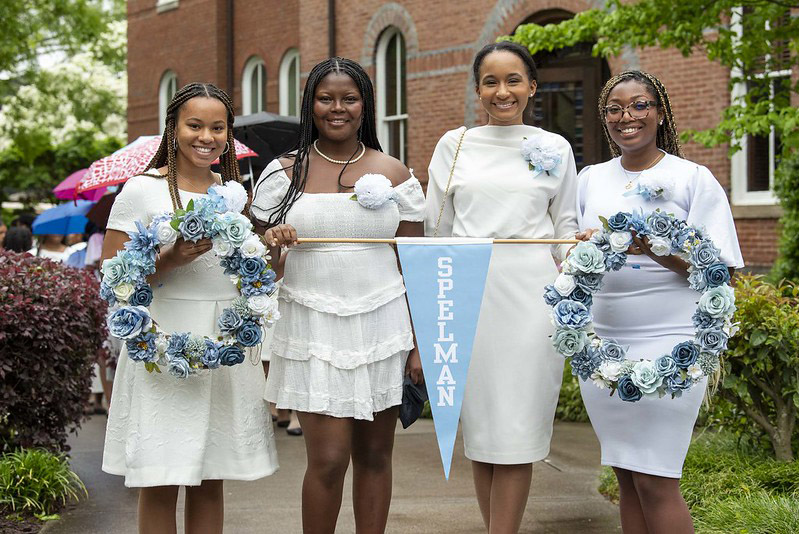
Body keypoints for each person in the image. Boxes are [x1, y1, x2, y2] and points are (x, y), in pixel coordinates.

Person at [250, 57, 424, 534]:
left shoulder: (393, 172)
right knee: (326, 460)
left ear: (365, 105)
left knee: (375, 456)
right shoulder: (281, 173)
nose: (337, 108)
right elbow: (256, 268)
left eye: (349, 98)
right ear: (311, 104)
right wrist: (273, 248)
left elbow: (414, 263)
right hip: (311, 323)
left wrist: (419, 342)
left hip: (384, 323)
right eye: (326, 98)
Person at [101, 82, 278, 534]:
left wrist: (275, 246)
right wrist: (172, 257)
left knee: (210, 478)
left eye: (217, 127)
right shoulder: (142, 191)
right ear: (172, 127)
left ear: (228, 133)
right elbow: (112, 277)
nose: (207, 136)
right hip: (163, 336)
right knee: (160, 478)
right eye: (194, 125)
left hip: (223, 339)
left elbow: (251, 272)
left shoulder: (235, 194)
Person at [575, 70, 744, 534]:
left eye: (639, 105)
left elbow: (721, 272)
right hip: (604, 343)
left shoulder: (692, 178)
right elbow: (567, 259)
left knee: (656, 478)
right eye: (614, 108)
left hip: (672, 340)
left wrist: (653, 248)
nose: (626, 116)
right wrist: (582, 250)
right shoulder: (590, 180)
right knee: (627, 477)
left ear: (660, 112)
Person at [424, 41, 579, 533]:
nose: (502, 91)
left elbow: (566, 230)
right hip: (468, 293)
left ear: (532, 86)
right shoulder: (454, 146)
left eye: (513, 80)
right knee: (484, 433)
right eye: (490, 81)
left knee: (516, 428)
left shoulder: (554, 148)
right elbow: (436, 231)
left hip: (532, 297)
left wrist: (581, 275)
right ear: (477, 90)